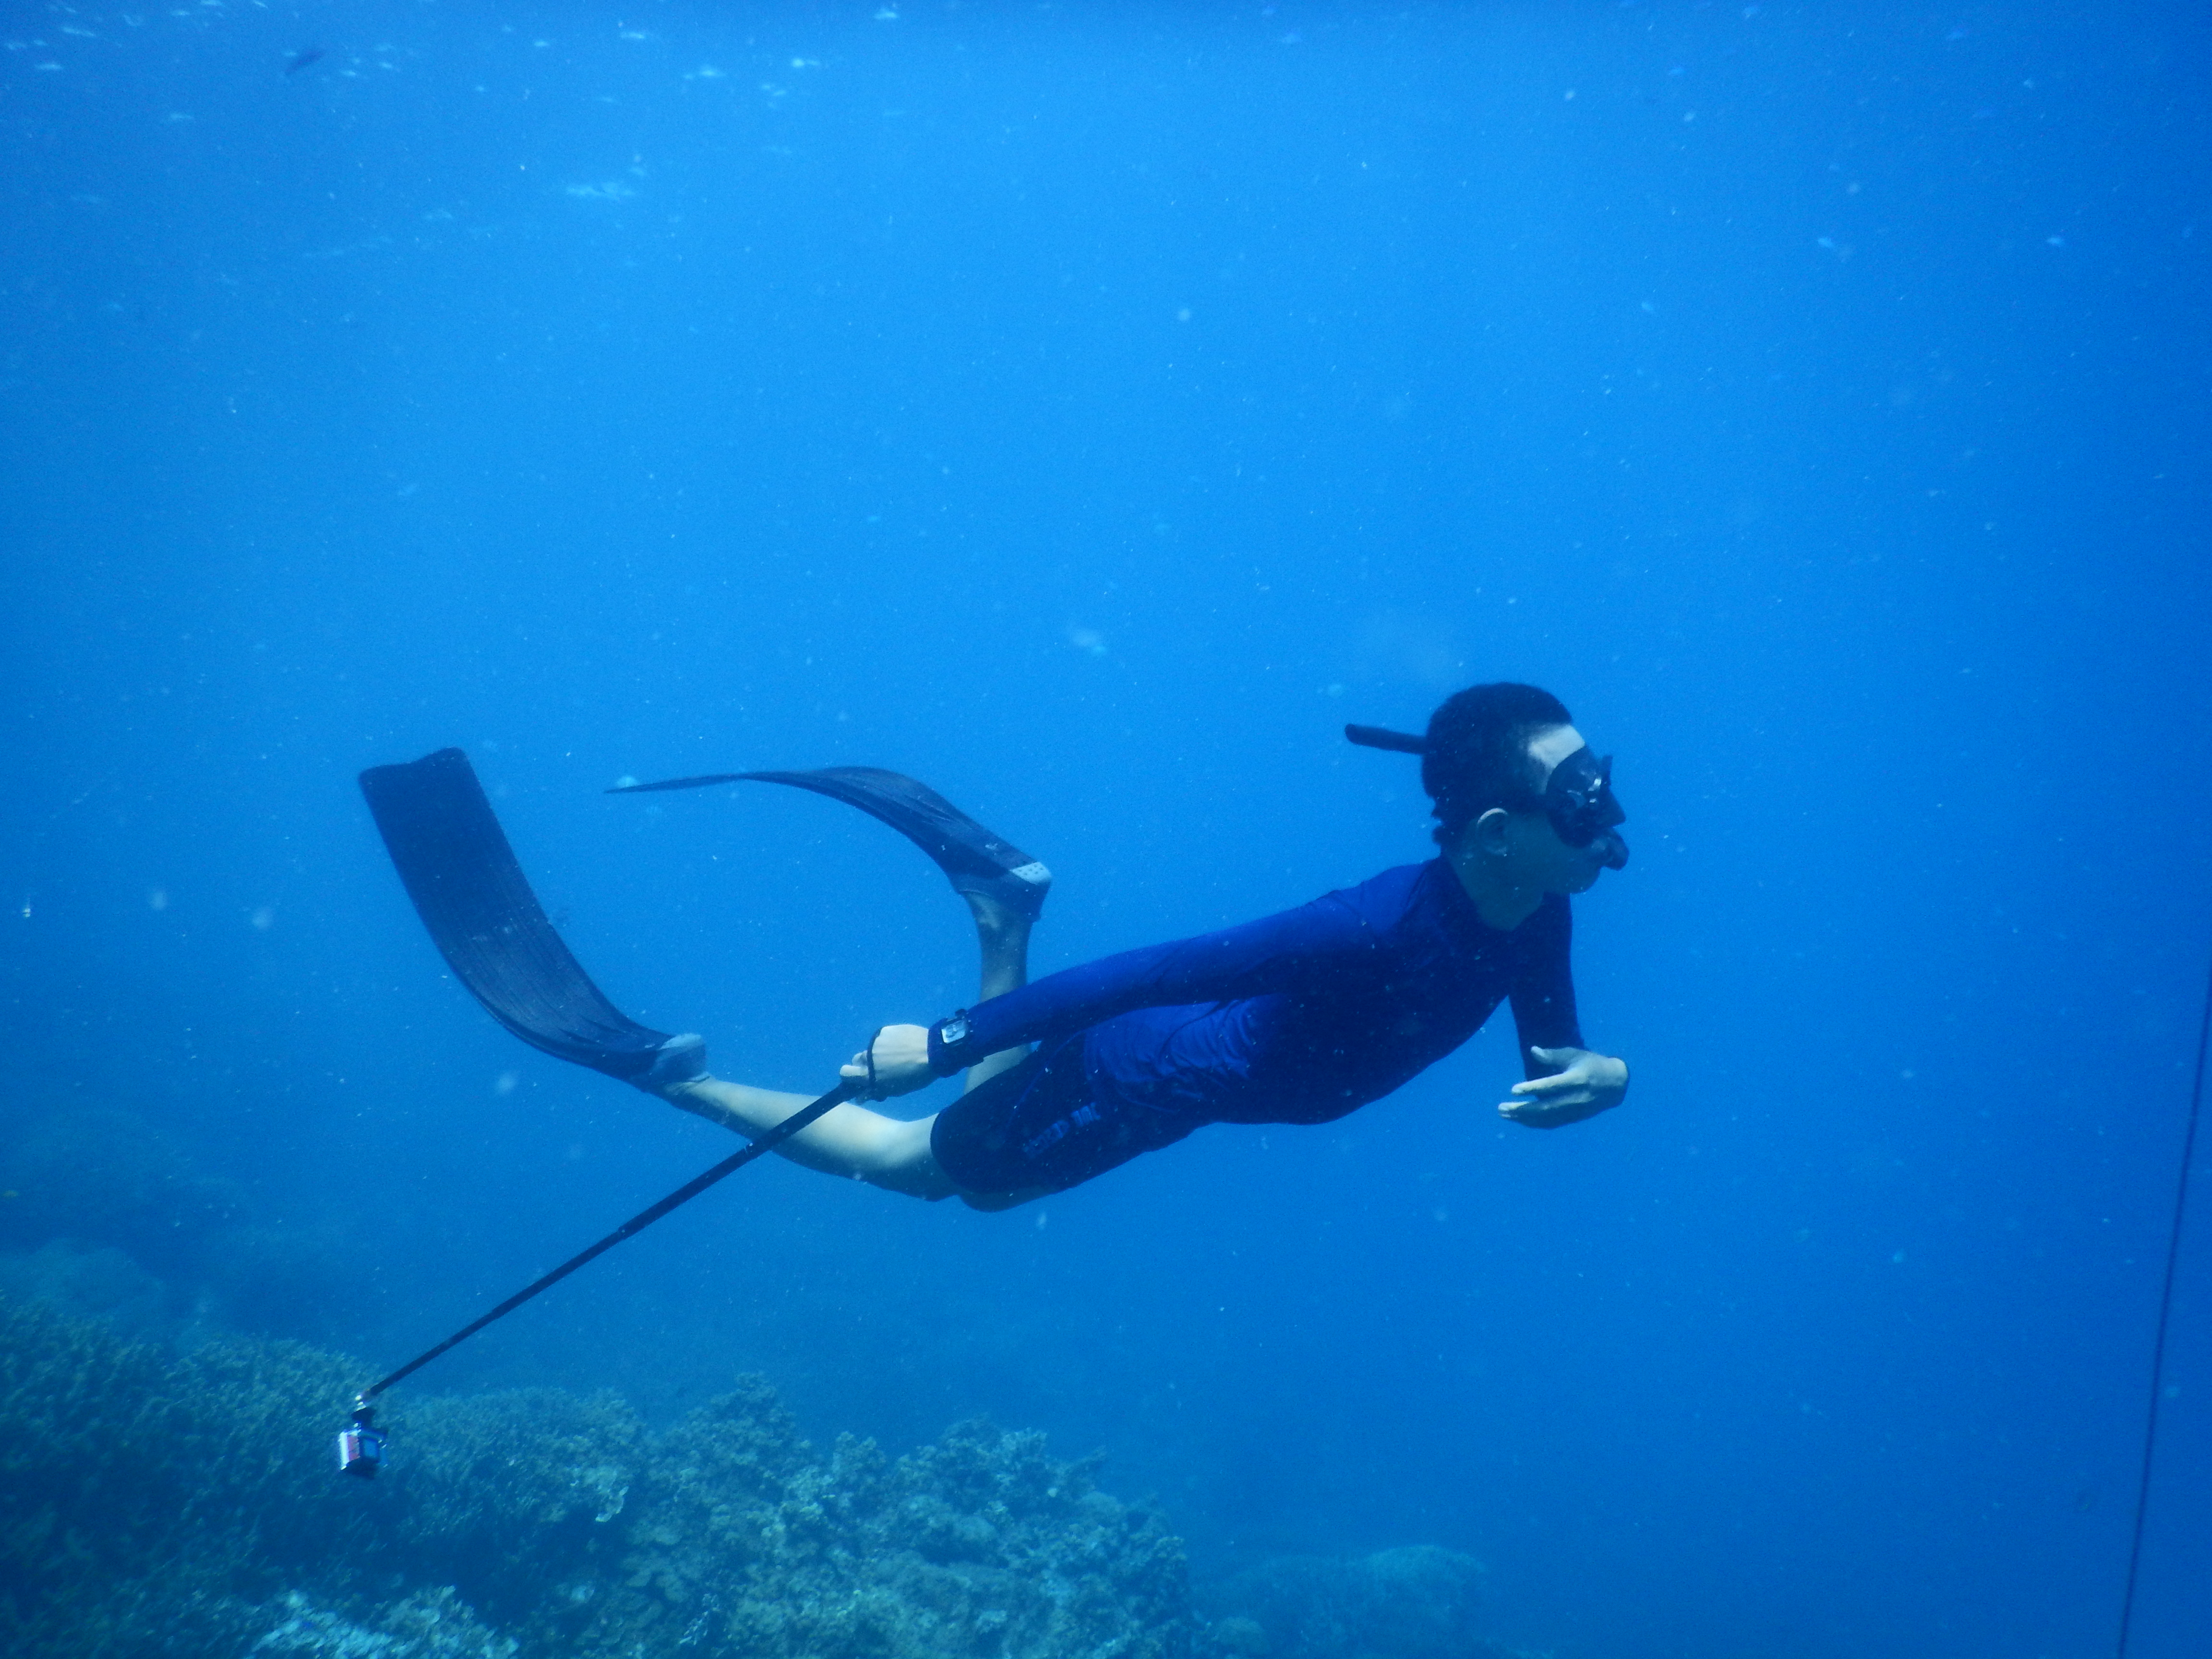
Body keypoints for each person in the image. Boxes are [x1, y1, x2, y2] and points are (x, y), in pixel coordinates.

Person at [651, 682, 1631, 1211]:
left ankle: (1000, 913)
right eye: (1580, 799)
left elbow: (1555, 1049)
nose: (1610, 817)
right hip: (1141, 1077)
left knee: (978, 1178)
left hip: (1186, 1086)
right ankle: (678, 1085)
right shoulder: (1368, 929)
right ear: (1499, 832)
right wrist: (941, 1045)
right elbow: (1153, 972)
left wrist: (1601, 1073)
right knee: (930, 1171)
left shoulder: (1540, 908)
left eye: (1600, 779)